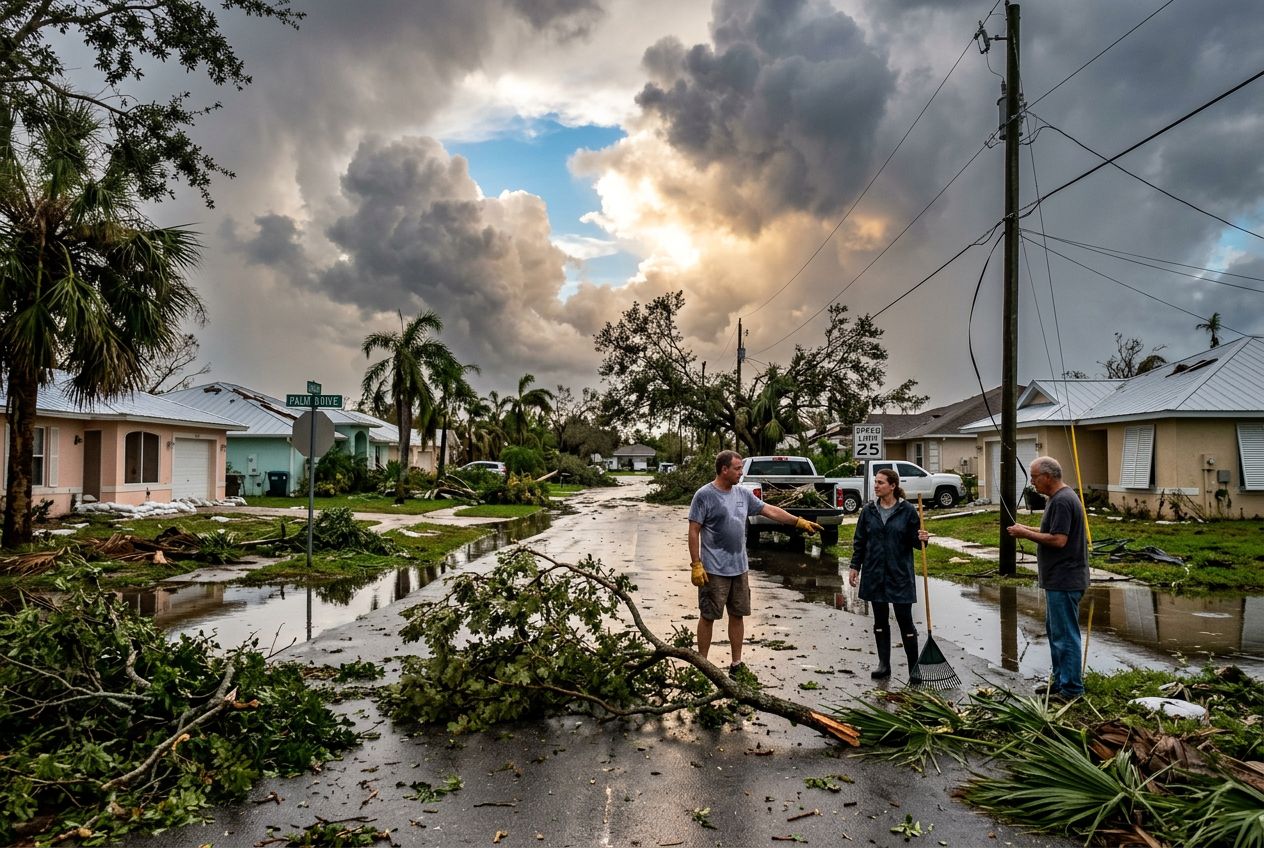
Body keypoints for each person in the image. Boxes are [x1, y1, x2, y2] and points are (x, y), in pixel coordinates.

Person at [688, 450, 823, 676]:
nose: (741, 472)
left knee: (737, 614)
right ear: (724, 470)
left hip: (739, 567)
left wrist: (798, 522)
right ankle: (702, 664)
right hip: (713, 569)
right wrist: (696, 564)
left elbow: (769, 510)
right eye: (738, 468)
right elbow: (693, 531)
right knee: (708, 616)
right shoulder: (704, 495)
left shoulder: (743, 494)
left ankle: (736, 663)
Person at [1007, 456, 1089, 699]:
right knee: (1056, 634)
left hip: (1065, 580)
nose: (1032, 483)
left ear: (1049, 476)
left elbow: (1059, 540)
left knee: (1066, 636)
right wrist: (1026, 529)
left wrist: (1025, 534)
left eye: (1034, 477)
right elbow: (1051, 531)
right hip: (1057, 580)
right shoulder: (1057, 499)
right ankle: (1061, 682)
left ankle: (1072, 689)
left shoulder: (1063, 501)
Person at [847, 468, 931, 683]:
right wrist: (855, 566)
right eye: (875, 482)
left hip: (899, 573)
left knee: (905, 621)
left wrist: (923, 538)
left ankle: (914, 668)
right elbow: (860, 541)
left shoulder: (908, 511)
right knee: (880, 620)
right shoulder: (868, 511)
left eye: (881, 482)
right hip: (875, 572)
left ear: (893, 486)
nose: (876, 486)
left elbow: (916, 543)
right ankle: (884, 665)